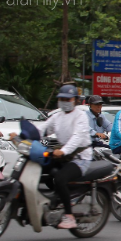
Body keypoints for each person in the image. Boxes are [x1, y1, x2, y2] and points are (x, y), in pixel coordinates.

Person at [40, 85, 93, 229]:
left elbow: (77, 137)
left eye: (67, 99)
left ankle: (69, 217)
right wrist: (23, 135)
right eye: (61, 99)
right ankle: (54, 198)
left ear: (75, 100)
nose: (64, 101)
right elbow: (43, 128)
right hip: (64, 156)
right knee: (40, 166)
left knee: (60, 179)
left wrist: (63, 151)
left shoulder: (80, 116)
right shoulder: (57, 116)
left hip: (80, 158)